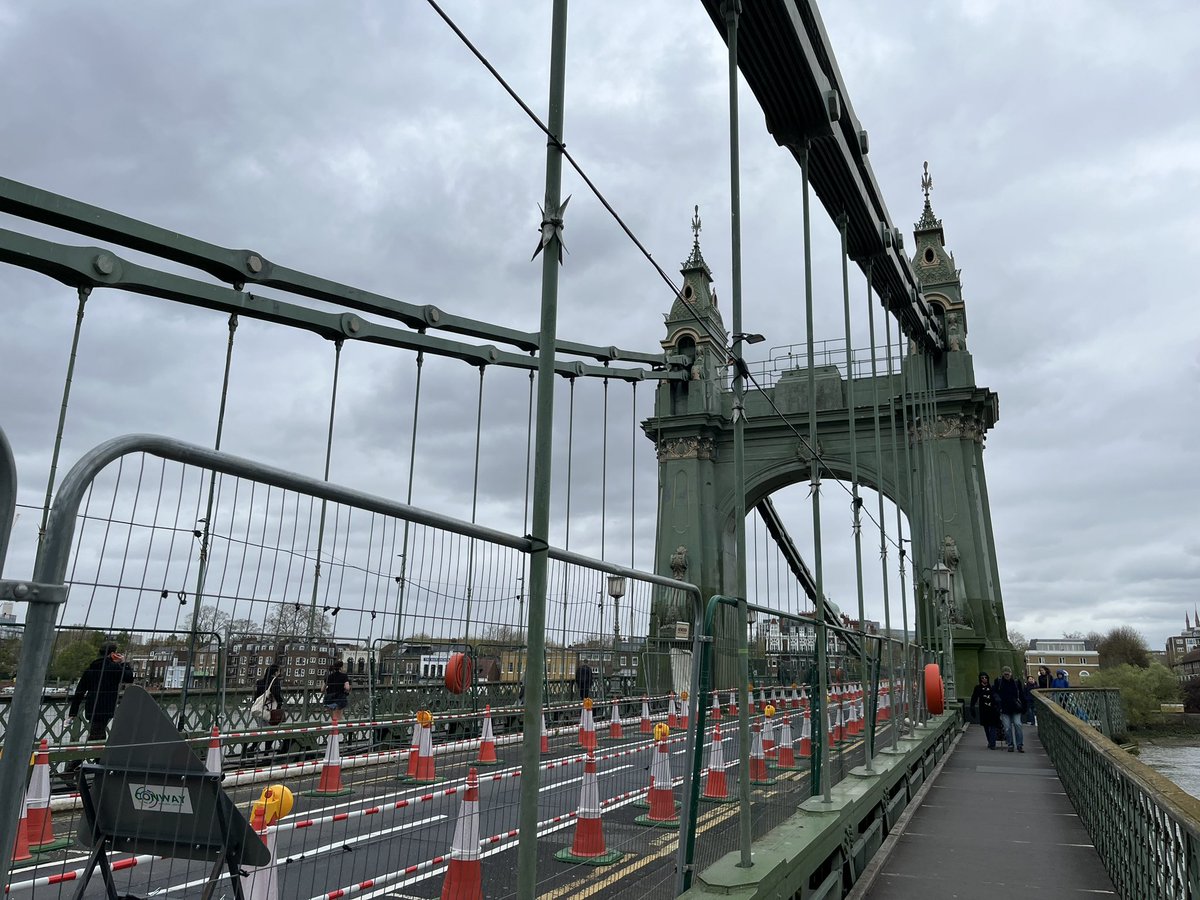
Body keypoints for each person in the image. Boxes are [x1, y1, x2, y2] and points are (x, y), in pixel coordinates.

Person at [67, 641, 135, 742]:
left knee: (98, 731)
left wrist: (73, 712)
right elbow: (129, 678)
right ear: (112, 654)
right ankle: (85, 755)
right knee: (97, 734)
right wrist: (124, 663)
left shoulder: (90, 669)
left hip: (91, 707)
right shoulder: (114, 668)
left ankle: (96, 756)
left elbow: (80, 691)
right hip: (106, 707)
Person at [253, 663, 284, 757]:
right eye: (279, 671)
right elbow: (276, 694)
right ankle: (266, 753)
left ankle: (251, 748)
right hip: (271, 711)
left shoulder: (260, 682)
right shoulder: (275, 681)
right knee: (272, 732)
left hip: (261, 710)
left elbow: (257, 696)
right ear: (275, 672)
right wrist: (280, 703)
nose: (279, 673)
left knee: (261, 731)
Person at [993, 666, 1025, 753]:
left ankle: (1019, 745)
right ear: (1003, 674)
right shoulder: (998, 682)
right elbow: (994, 692)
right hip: (1004, 708)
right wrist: (997, 700)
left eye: (1008, 673)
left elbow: (1021, 694)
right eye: (1005, 674)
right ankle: (1010, 744)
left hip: (1015, 708)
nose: (1007, 675)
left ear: (1011, 673)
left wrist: (1023, 707)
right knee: (1007, 728)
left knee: (1018, 725)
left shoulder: (1016, 682)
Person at [969, 672, 1002, 749]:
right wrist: (972, 707)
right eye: (982, 678)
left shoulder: (991, 687)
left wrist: (998, 706)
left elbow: (996, 697)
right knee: (986, 727)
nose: (984, 679)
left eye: (985, 677)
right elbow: (974, 698)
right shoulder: (978, 688)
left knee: (993, 726)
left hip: (992, 709)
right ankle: (990, 741)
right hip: (983, 710)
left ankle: (992, 743)